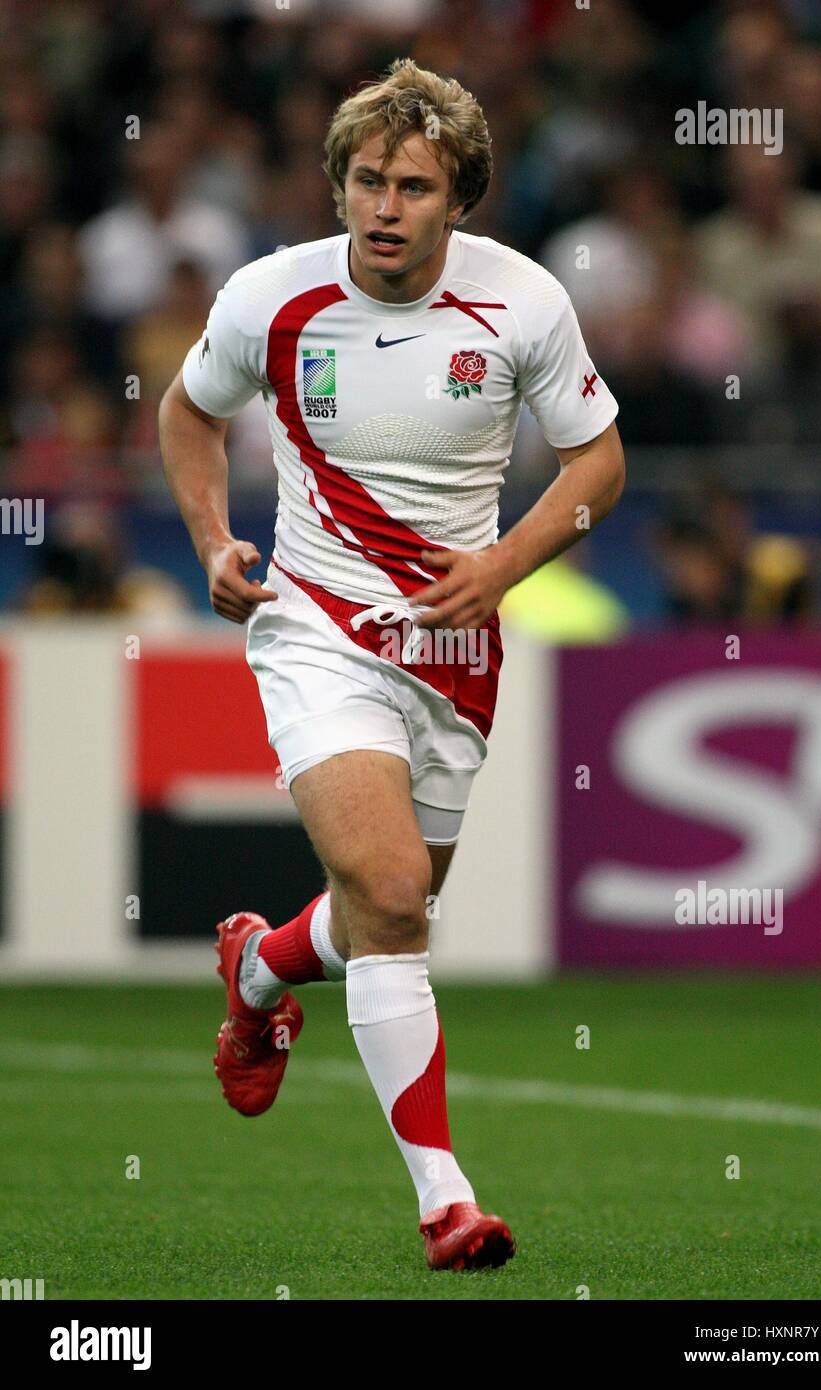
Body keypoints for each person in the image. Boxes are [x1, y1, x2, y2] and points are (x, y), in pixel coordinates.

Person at [158, 58, 624, 1272]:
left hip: (457, 650)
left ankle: (259, 965)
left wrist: (503, 566)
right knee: (393, 893)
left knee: (392, 907)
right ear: (337, 183)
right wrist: (213, 538)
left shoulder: (522, 303)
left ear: (456, 195)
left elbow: (599, 465)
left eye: (410, 186)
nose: (381, 206)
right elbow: (186, 411)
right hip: (316, 624)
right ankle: (444, 1201)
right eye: (364, 180)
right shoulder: (272, 296)